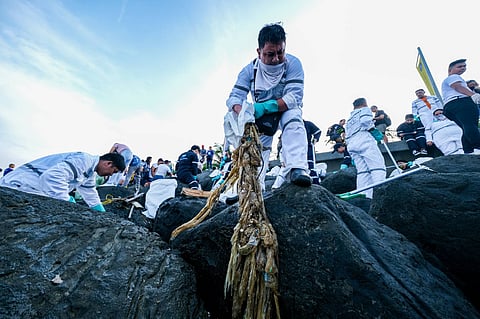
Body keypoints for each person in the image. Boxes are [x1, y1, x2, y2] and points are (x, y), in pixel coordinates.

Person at [226, 22, 311, 189]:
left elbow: (294, 97)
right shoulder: (249, 71)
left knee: (294, 119)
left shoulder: (293, 64)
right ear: (259, 52)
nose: (276, 58)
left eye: (281, 52)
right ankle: (253, 186)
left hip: (285, 108)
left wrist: (267, 106)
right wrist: (246, 111)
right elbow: (234, 98)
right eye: (270, 54)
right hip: (262, 117)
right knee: (258, 149)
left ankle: (297, 168)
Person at [0, 152, 125, 212]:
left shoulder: (90, 172)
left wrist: (100, 210)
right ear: (108, 163)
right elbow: (51, 177)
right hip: (19, 184)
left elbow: (90, 192)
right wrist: (67, 200)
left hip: (32, 188)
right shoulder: (83, 160)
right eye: (113, 171)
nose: (110, 175)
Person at [345, 98, 386, 199]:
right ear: (364, 104)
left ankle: (364, 195)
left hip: (351, 143)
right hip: (363, 139)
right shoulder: (364, 110)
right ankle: (379, 191)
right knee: (378, 166)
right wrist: (374, 131)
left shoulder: (350, 119)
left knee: (363, 171)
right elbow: (365, 121)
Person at [441, 59, 480, 153]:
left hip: (450, 106)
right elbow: (457, 86)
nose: (463, 68)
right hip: (460, 102)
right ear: (450, 70)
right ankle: (477, 145)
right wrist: (472, 95)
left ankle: (468, 151)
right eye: (459, 66)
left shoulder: (450, 79)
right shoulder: (453, 77)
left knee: (466, 127)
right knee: (470, 125)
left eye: (464, 66)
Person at [304, 120, 322, 184]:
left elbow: (318, 131)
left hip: (308, 147)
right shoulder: (292, 125)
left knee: (310, 165)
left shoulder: (307, 124)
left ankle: (315, 183)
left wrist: (315, 139)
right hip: (297, 149)